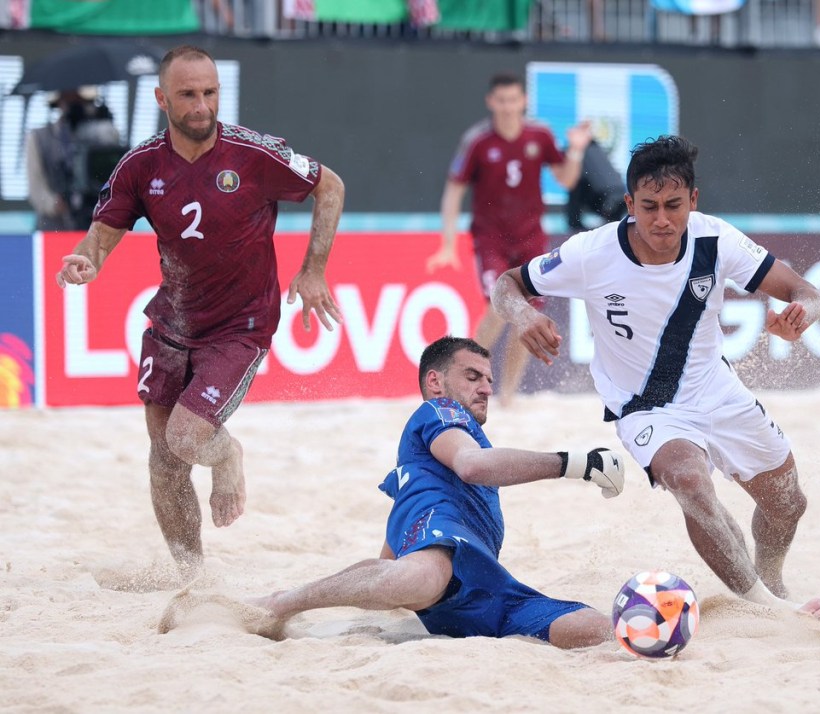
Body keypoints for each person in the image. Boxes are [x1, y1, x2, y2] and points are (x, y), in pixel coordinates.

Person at [492, 135, 820, 622]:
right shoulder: (591, 253)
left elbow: (804, 290)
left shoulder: (716, 239)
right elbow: (506, 283)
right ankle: (774, 611)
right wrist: (521, 315)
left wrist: (802, 312)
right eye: (649, 206)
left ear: (694, 202)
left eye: (674, 206)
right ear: (629, 205)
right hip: (645, 406)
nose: (662, 219)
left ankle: (770, 578)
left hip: (715, 388)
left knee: (788, 505)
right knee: (689, 481)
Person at [55, 45, 346, 576]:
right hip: (172, 322)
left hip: (241, 326)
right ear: (162, 98)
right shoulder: (140, 164)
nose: (201, 105)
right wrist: (86, 261)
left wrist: (314, 268)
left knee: (188, 437)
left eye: (209, 93)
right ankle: (192, 576)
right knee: (164, 460)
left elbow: (331, 186)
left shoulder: (253, 154)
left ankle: (229, 455)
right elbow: (102, 236)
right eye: (188, 94)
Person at [230, 336, 625, 648]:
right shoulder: (439, 413)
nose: (487, 387)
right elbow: (473, 467)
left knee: (598, 631)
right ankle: (279, 603)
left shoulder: (433, 461)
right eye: (473, 377)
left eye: (489, 379)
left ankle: (647, 628)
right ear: (436, 382)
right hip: (442, 562)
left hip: (485, 585)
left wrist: (383, 580)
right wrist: (577, 463)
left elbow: (390, 548)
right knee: (415, 579)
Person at [425, 72, 592, 406]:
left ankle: (509, 397)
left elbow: (566, 178)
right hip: (491, 240)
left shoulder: (539, 135)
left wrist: (574, 150)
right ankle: (460, 386)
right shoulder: (478, 141)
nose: (507, 107)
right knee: (499, 309)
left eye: (513, 99)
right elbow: (453, 190)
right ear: (491, 102)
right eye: (501, 100)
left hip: (531, 238)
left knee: (525, 318)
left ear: (523, 101)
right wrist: (446, 243)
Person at [26, 88, 123, 231]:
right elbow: (36, 189)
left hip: (99, 226)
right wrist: (55, 204)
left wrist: (100, 122)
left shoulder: (101, 134)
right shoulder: (40, 137)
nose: (73, 105)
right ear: (58, 102)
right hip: (54, 229)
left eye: (79, 100)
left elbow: (115, 169)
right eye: (67, 99)